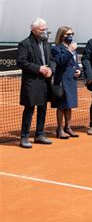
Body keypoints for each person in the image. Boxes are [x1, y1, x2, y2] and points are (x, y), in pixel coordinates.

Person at [17, 18, 56, 148]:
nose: (45, 31)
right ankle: (24, 137)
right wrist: (39, 68)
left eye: (45, 29)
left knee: (43, 108)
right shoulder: (25, 44)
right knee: (29, 109)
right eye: (42, 29)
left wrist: (51, 69)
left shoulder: (46, 43)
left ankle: (39, 134)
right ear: (33, 30)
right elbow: (21, 62)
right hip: (32, 82)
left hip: (45, 81)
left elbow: (51, 59)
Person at [51, 26, 81, 139]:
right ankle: (59, 129)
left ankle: (68, 127)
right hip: (62, 80)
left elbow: (75, 63)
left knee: (69, 105)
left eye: (72, 33)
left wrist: (78, 70)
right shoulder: (56, 49)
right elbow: (59, 61)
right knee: (61, 106)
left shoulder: (73, 48)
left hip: (72, 80)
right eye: (68, 34)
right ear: (61, 35)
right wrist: (70, 50)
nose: (70, 36)